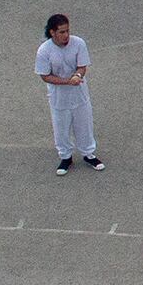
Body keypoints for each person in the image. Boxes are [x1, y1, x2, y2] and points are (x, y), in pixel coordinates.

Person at [35, 13, 101, 172]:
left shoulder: (78, 43)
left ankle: (88, 154)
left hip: (79, 95)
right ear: (52, 32)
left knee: (84, 124)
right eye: (62, 32)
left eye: (67, 31)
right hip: (59, 98)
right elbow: (45, 76)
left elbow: (82, 66)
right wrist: (67, 81)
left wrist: (78, 75)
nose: (66, 35)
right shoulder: (44, 51)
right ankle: (65, 157)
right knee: (61, 128)